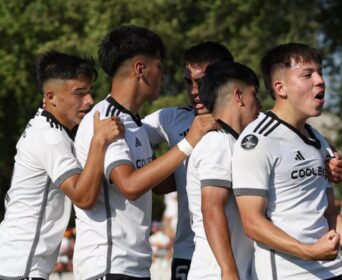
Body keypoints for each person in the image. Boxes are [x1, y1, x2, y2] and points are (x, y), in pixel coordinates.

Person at [73, 25, 218, 280]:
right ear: (141, 69)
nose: (163, 75)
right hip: (108, 266)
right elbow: (129, 184)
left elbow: (158, 183)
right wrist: (190, 141)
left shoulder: (133, 123)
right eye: (159, 67)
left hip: (133, 267)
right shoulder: (107, 119)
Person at [232, 42, 342, 280]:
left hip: (332, 268)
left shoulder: (319, 139)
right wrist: (309, 252)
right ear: (281, 88)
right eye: (307, 74)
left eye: (320, 72)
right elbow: (252, 223)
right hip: (290, 273)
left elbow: (329, 213)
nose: (320, 80)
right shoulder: (257, 140)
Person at [0, 51, 123, 279]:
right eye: (80, 93)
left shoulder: (46, 128)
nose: (89, 101)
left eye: (90, 92)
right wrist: (99, 141)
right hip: (21, 268)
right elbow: (84, 197)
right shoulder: (49, 136)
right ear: (51, 96)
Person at [142, 41, 234, 279]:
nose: (194, 91)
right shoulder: (173, 119)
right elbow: (127, 133)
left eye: (201, 82)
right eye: (188, 82)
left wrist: (328, 162)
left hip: (241, 251)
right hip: (188, 253)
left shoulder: (251, 125)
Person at [186, 61, 260, 280]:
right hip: (215, 274)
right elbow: (212, 209)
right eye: (254, 94)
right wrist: (228, 272)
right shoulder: (217, 143)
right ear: (238, 96)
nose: (260, 103)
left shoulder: (233, 142)